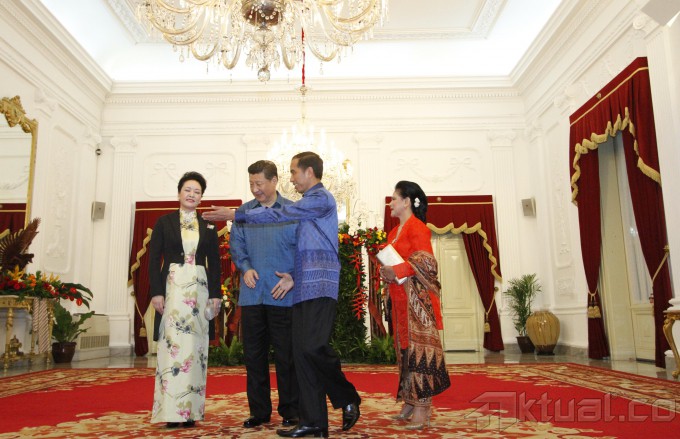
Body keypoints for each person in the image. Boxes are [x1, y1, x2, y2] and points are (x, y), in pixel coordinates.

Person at [203, 152, 361, 438]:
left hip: (320, 284)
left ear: (309, 172)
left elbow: (281, 214)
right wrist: (293, 276)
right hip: (301, 286)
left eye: (294, 172)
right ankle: (313, 421)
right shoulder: (307, 204)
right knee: (301, 354)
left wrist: (235, 214)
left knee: (311, 349)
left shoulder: (320, 199)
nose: (292, 178)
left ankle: (346, 396)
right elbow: (304, 247)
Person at [148, 171, 222, 428]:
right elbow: (153, 259)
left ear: (201, 197)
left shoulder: (208, 226)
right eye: (188, 190)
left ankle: (190, 412)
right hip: (172, 289)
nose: (192, 195)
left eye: (197, 192)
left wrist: (215, 295)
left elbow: (215, 263)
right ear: (179, 193)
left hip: (199, 292)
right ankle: (170, 412)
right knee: (172, 348)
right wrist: (156, 292)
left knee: (195, 350)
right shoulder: (164, 222)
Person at [229, 160, 299, 429]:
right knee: (254, 357)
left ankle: (291, 411)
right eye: (251, 184)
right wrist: (245, 267)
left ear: (274, 181)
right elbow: (237, 245)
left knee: (286, 357)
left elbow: (303, 249)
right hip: (253, 295)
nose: (255, 189)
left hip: (283, 294)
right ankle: (259, 411)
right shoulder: (244, 213)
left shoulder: (292, 211)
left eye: (259, 183)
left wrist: (293, 276)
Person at [379, 180, 451, 430]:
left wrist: (397, 270)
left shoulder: (418, 228)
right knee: (405, 353)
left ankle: (422, 408)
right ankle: (409, 400)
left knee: (420, 354)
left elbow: (427, 263)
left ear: (407, 201)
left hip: (417, 303)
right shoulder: (393, 233)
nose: (391, 203)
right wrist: (386, 272)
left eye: (394, 198)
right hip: (400, 302)